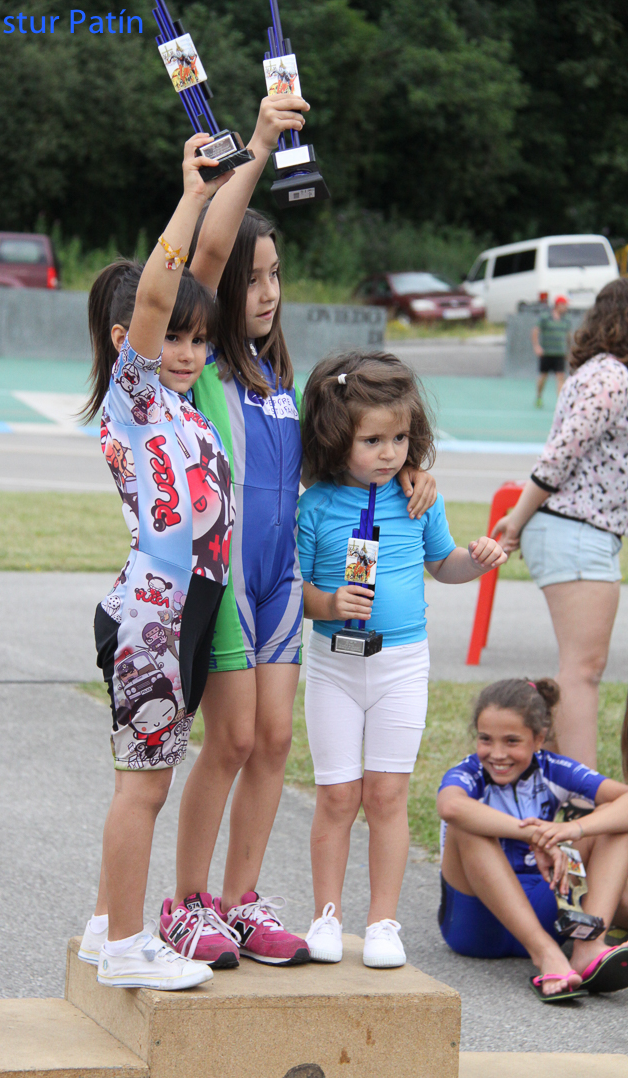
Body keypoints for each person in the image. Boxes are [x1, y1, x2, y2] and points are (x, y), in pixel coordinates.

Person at [160, 101, 438, 967]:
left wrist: (412, 473)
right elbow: (207, 256)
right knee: (232, 739)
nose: (268, 291)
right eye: (253, 278)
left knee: (276, 743)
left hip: (282, 581)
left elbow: (348, 461)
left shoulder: (278, 374)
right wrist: (259, 144)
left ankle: (240, 901)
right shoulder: (209, 360)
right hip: (226, 578)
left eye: (275, 275)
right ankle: (186, 904)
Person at [75, 134, 237, 990]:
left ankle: (108, 925)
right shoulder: (134, 400)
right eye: (171, 337)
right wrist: (191, 195)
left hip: (189, 611)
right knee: (143, 785)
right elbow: (164, 285)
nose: (186, 352)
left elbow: (202, 274)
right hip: (154, 612)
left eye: (197, 341)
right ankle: (129, 948)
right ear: (129, 339)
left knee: (149, 780)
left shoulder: (188, 409)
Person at [296, 352, 507, 969]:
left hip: (402, 665)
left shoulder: (418, 498)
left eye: (400, 439)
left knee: (387, 795)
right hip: (334, 665)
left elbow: (443, 565)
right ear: (336, 437)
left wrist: (477, 559)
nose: (389, 454)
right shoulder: (315, 507)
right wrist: (329, 601)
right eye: (372, 441)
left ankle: (383, 922)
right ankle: (326, 915)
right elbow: (292, 591)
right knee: (338, 796)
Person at [492, 278, 628, 768]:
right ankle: (582, 793)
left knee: (581, 668)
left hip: (582, 530)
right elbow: (560, 456)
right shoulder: (611, 377)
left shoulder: (601, 374)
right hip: (575, 529)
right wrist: (516, 521)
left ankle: (554, 777)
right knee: (583, 670)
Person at [437, 678, 628, 1001]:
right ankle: (546, 954)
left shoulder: (554, 769)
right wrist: (535, 834)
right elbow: (450, 807)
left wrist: (573, 829)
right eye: (485, 739)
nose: (497, 754)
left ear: (539, 739)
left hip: (542, 906)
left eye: (512, 741)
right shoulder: (468, 772)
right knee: (466, 822)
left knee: (614, 821)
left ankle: (588, 946)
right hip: (475, 924)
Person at [532, 295, 571, 407]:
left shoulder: (566, 320)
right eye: (564, 305)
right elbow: (535, 331)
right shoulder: (545, 317)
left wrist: (568, 351)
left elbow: (568, 336)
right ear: (558, 305)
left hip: (560, 353)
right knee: (543, 377)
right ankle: (539, 396)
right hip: (547, 353)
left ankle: (560, 403)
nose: (566, 308)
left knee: (560, 377)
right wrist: (537, 346)